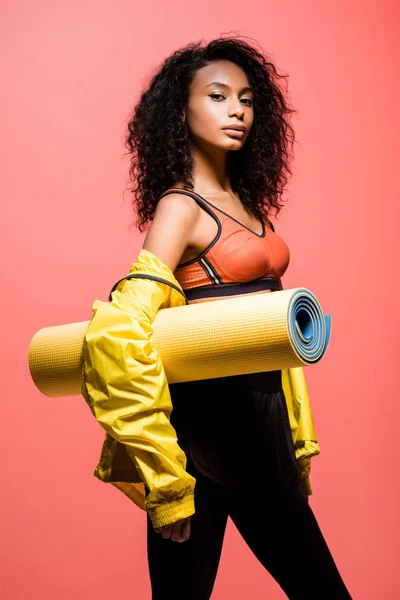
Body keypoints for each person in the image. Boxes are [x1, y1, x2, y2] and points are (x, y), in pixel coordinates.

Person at [88, 36, 352, 599]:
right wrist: (165, 480)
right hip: (201, 443)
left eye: (248, 99)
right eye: (217, 96)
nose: (237, 110)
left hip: (264, 436)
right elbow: (120, 331)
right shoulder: (179, 208)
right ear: (179, 111)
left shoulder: (249, 205)